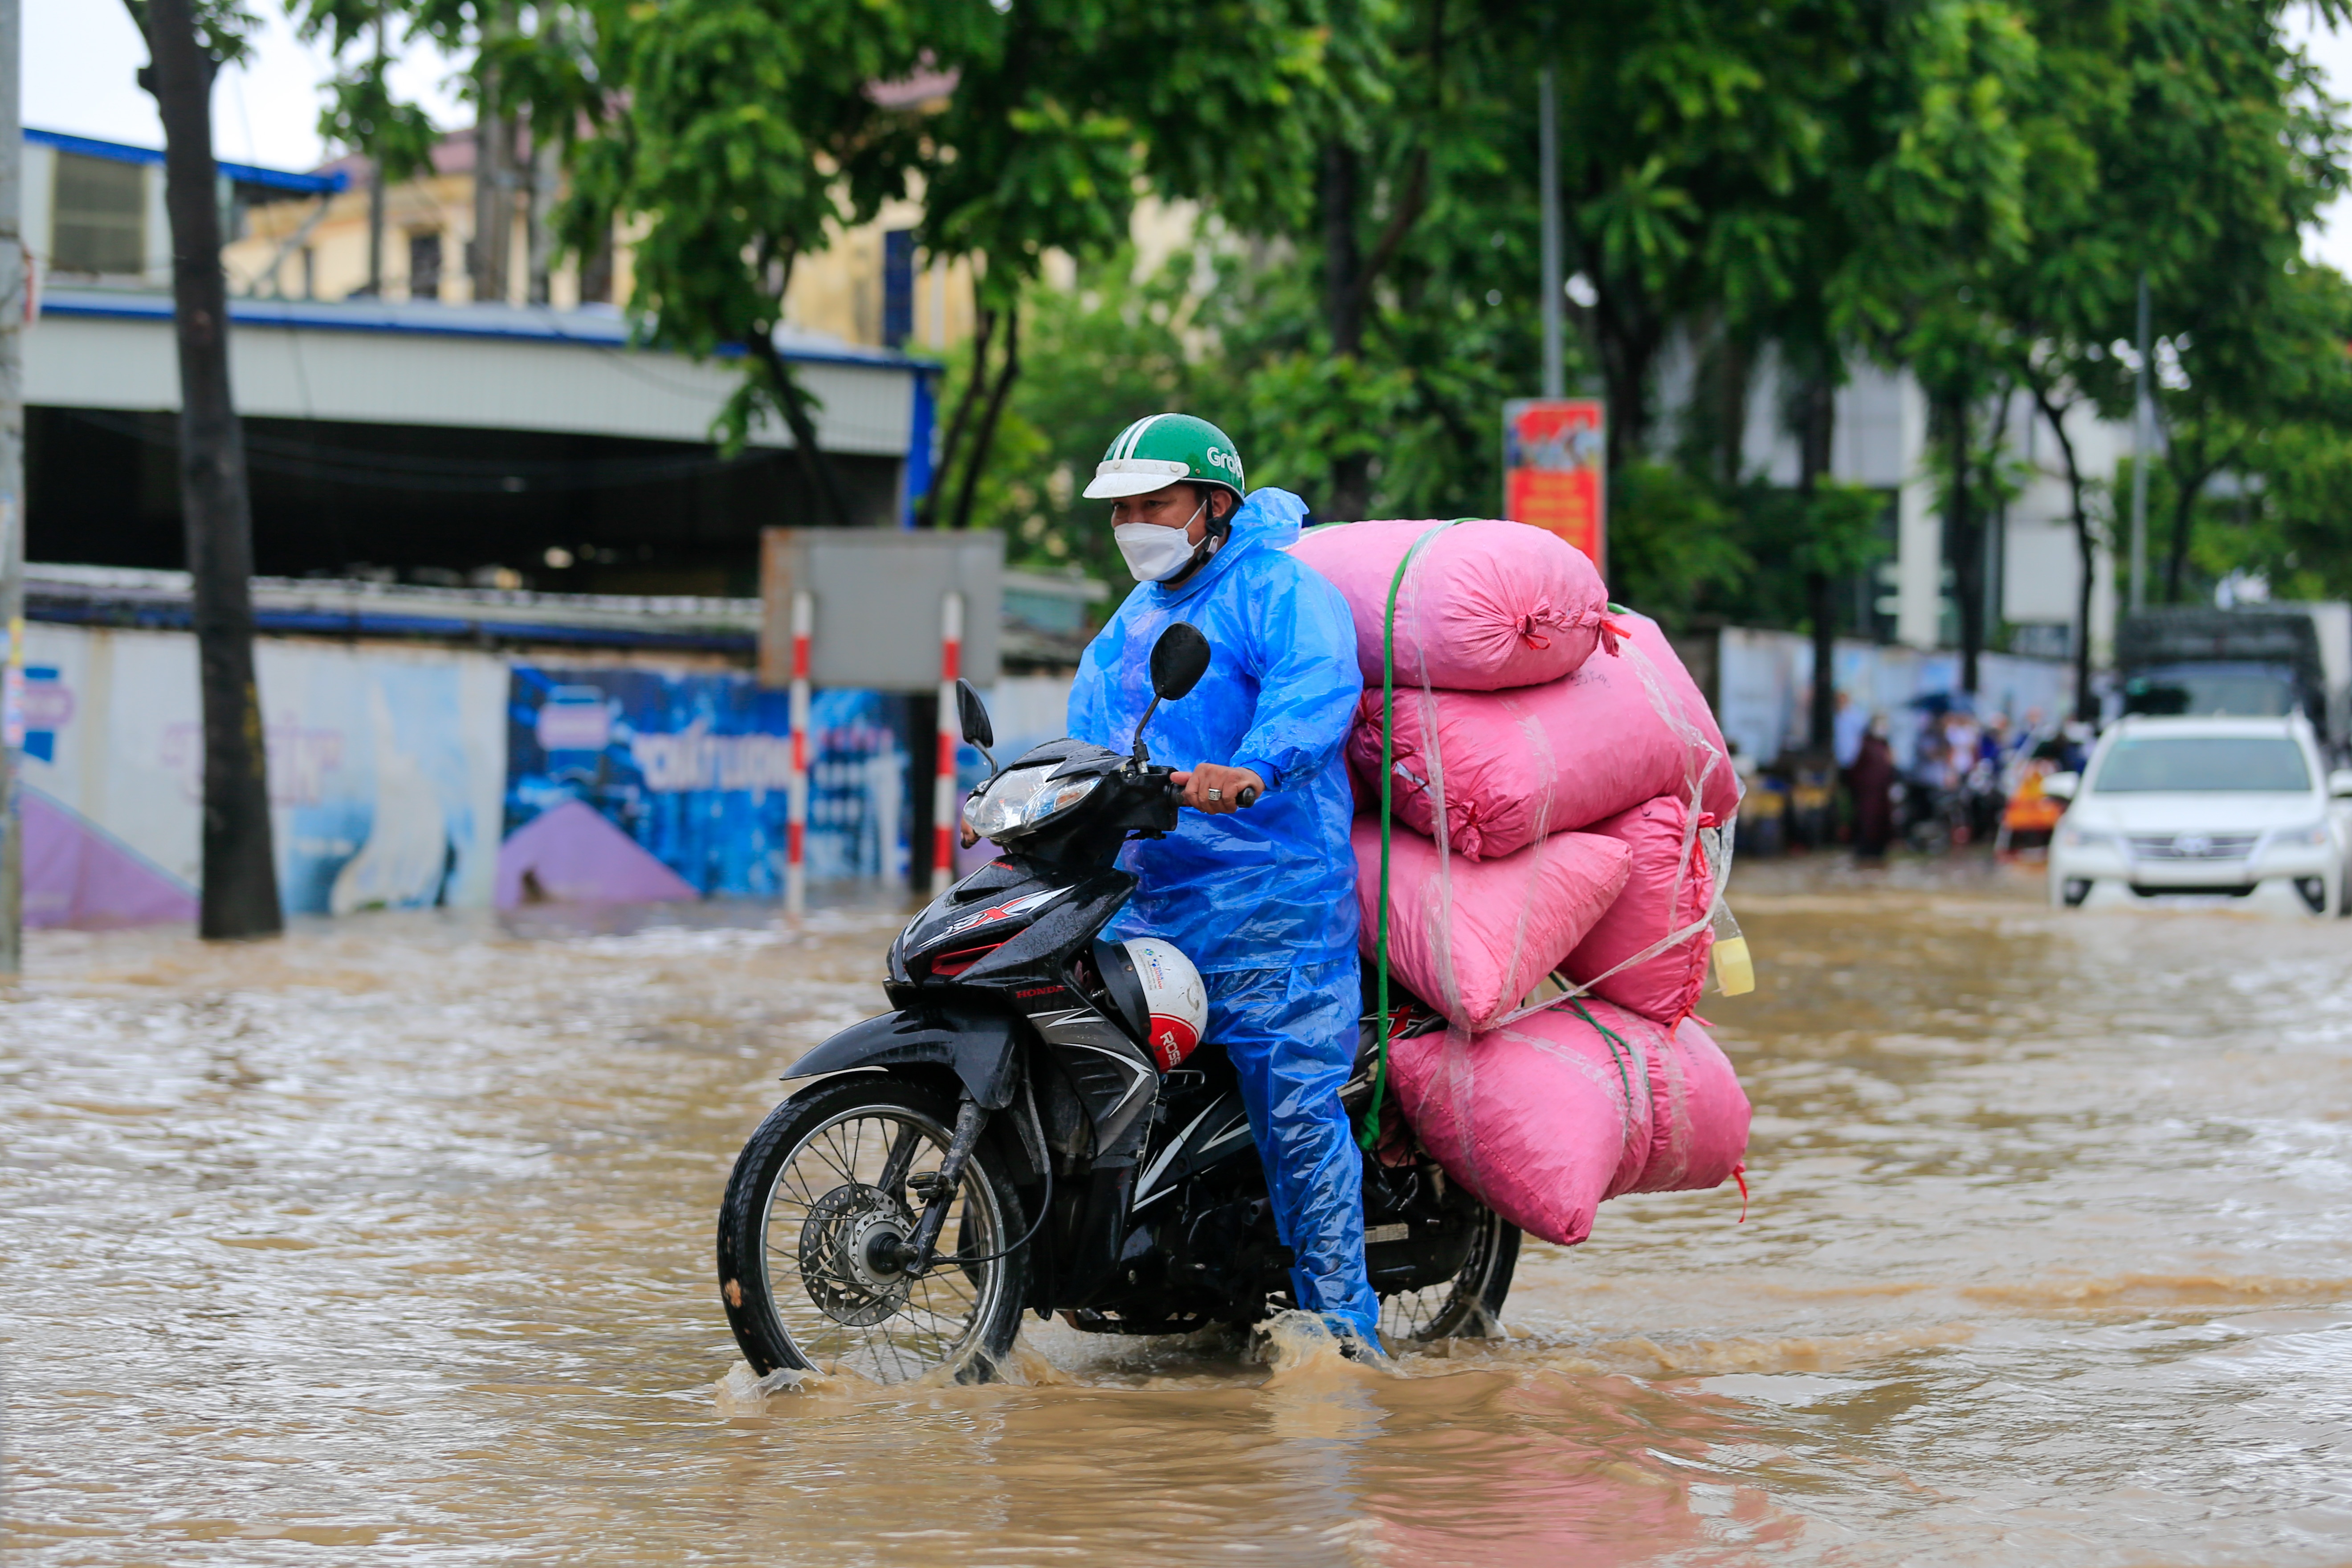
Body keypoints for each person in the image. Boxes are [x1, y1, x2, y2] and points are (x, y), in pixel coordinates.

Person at [1063, 413, 1383, 1354]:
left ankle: (1343, 1337)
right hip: (1153, 900)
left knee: (1293, 1107)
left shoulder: (1280, 591)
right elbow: (1087, 748)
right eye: (1121, 510)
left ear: (1212, 505)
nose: (1134, 524)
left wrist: (1252, 768)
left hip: (1272, 900)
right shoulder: (1127, 628)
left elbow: (1314, 689)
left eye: (1152, 504)